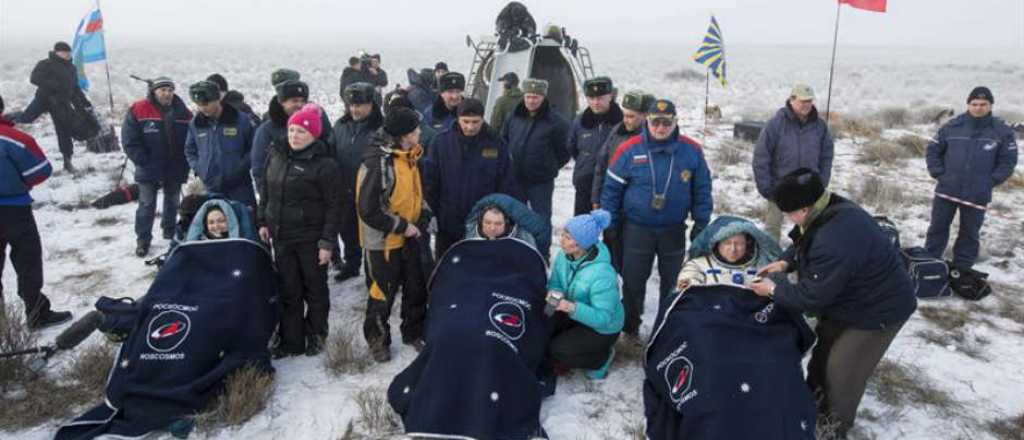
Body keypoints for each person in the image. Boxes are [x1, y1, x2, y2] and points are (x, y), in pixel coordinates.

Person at [750, 168, 917, 438]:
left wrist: (772, 290)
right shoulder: (827, 206)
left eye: (788, 212)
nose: (787, 218)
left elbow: (811, 297)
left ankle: (833, 429)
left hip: (879, 311)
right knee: (823, 355)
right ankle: (810, 408)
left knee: (842, 371)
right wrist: (787, 260)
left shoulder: (834, 238)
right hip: (848, 299)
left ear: (804, 208)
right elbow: (804, 235)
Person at [601, 99, 712, 342]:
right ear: (647, 122)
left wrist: (701, 222)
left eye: (666, 122)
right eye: (655, 122)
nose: (661, 127)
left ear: (675, 122)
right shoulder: (629, 149)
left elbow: (702, 190)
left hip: (673, 229)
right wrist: (610, 223)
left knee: (672, 281)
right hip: (637, 228)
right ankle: (630, 325)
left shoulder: (691, 150)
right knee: (633, 279)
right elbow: (611, 189)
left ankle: (666, 326)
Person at [257, 103, 342, 358]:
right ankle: (291, 340)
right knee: (288, 290)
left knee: (314, 289)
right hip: (281, 236)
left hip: (311, 239)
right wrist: (262, 220)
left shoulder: (325, 165)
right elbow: (266, 191)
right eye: (292, 130)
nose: (294, 136)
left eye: (301, 132)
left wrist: (327, 243)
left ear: (313, 135)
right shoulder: (276, 154)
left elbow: (334, 207)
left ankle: (316, 335)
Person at [356, 107, 431, 362]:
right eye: (416, 129)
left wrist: (424, 214)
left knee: (415, 286)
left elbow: (412, 193)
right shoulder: (378, 162)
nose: (420, 132)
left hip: (409, 235)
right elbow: (368, 210)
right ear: (404, 135)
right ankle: (378, 340)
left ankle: (413, 331)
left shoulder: (408, 156)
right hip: (384, 241)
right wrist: (402, 226)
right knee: (382, 291)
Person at [0, 93, 73, 330]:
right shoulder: (15, 139)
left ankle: (3, 328)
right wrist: (19, 183)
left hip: (14, 207)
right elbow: (40, 170)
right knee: (27, 261)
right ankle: (36, 314)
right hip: (14, 209)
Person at [924, 86, 1018, 270]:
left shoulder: (1002, 131)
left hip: (977, 193)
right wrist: (938, 173)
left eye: (983, 104)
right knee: (937, 228)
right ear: (968, 105)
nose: (978, 107)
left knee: (969, 233)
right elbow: (933, 149)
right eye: (974, 104)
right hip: (947, 190)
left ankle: (962, 269)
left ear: (991, 105)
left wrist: (990, 181)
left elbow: (1008, 161)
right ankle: (928, 263)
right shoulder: (952, 126)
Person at [423, 98, 521, 258]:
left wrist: (502, 213)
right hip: (448, 220)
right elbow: (431, 181)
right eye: (466, 121)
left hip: (483, 221)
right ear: (458, 119)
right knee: (448, 263)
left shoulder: (496, 143)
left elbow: (507, 182)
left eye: (475, 122)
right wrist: (432, 212)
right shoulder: (441, 143)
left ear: (483, 119)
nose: (470, 126)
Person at [545, 209, 623, 379]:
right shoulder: (564, 255)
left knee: (558, 350)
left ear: (581, 244)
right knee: (542, 330)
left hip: (602, 328)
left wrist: (570, 307)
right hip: (574, 312)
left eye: (568, 237)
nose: (561, 240)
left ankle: (601, 358)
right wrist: (549, 310)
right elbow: (556, 283)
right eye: (563, 234)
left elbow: (603, 318)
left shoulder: (602, 274)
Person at [752, 84, 835, 240]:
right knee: (772, 229)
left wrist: (821, 182)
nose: (806, 105)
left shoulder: (820, 126)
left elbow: (826, 156)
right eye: (802, 101)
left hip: (808, 187)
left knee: (810, 229)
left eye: (809, 101)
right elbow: (761, 157)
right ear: (791, 100)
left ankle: (805, 260)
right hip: (779, 187)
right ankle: (772, 260)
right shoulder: (775, 124)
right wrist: (766, 187)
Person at [122, 77, 193, 257]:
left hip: (174, 166)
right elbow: (130, 141)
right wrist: (143, 160)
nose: (167, 93)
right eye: (162, 90)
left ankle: (169, 232)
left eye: (170, 90)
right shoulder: (138, 109)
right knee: (146, 204)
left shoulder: (183, 112)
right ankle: (143, 240)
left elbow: (190, 140)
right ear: (154, 91)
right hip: (148, 167)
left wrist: (186, 162)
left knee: (172, 201)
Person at [502, 78, 570, 259]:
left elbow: (565, 151)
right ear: (524, 96)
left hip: (541, 181)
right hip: (516, 178)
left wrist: (549, 167)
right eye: (529, 96)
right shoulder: (514, 116)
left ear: (543, 97)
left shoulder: (556, 122)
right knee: (514, 216)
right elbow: (504, 140)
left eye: (536, 97)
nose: (532, 100)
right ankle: (514, 251)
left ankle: (541, 254)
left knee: (541, 219)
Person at [591, 90, 654, 271]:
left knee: (633, 257)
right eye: (625, 115)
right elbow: (601, 166)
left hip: (637, 209)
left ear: (646, 116)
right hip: (612, 202)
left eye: (631, 116)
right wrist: (596, 198)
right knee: (610, 246)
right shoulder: (616, 131)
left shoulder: (653, 141)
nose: (626, 120)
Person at [332, 82, 384, 281]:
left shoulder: (381, 129)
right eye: (351, 105)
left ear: (371, 104)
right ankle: (352, 264)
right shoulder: (340, 126)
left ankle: (377, 270)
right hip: (345, 188)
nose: (355, 109)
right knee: (348, 230)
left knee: (374, 233)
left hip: (372, 190)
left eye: (360, 105)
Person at [17, 41, 93, 173]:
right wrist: (55, 85)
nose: (67, 55)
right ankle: (7, 120)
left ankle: (67, 161)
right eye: (65, 52)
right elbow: (34, 78)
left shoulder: (71, 68)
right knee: (27, 117)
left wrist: (84, 102)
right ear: (57, 52)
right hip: (44, 99)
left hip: (61, 103)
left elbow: (75, 88)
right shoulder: (46, 64)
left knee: (64, 130)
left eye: (69, 52)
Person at [252, 77, 334, 195]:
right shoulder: (267, 131)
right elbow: (259, 169)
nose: (300, 105)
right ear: (282, 102)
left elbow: (329, 152)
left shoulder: (318, 124)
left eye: (303, 101)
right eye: (294, 101)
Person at [184, 80, 257, 207]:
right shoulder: (196, 124)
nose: (202, 108)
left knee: (245, 221)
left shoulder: (241, 120)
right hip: (210, 186)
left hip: (239, 186)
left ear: (217, 99)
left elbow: (254, 148)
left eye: (206, 103)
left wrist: (241, 167)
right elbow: (190, 150)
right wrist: (200, 168)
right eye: (198, 104)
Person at [676, 215, 781, 291]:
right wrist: (688, 285)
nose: (733, 249)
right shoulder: (699, 265)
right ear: (717, 244)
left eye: (739, 244)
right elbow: (688, 280)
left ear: (748, 244)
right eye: (727, 243)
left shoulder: (762, 268)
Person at [568, 76, 622, 216]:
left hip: (612, 183)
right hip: (585, 181)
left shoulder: (621, 122)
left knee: (611, 230)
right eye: (591, 98)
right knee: (582, 228)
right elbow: (572, 147)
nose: (595, 102)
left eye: (600, 98)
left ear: (610, 96)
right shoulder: (580, 121)